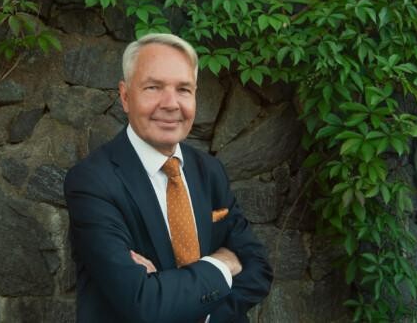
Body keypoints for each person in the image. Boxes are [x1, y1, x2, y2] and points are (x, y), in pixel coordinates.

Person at [64, 33, 272, 323]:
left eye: (184, 89)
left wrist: (197, 309)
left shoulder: (209, 171)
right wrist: (222, 263)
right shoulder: (91, 182)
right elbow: (142, 304)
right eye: (153, 87)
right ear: (125, 97)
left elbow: (258, 268)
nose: (171, 104)